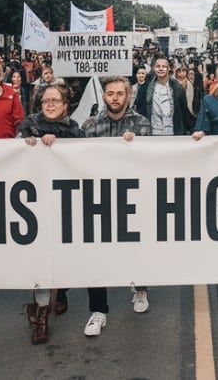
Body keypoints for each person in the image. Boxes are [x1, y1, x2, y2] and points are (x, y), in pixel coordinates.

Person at [79, 76, 153, 333]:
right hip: (99, 198)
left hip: (132, 197)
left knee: (137, 245)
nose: (115, 98)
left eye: (120, 93)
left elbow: (151, 161)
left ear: (128, 96)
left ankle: (140, 288)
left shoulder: (141, 124)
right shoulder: (90, 126)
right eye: (110, 93)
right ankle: (98, 311)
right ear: (104, 96)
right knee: (96, 253)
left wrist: (137, 147)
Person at [17, 84, 85, 345]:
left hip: (65, 203)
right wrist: (28, 145)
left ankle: (53, 297)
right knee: (42, 257)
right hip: (34, 204)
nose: (51, 104)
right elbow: (10, 155)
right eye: (46, 100)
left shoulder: (75, 130)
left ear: (65, 105)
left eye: (56, 100)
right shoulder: (28, 126)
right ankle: (42, 316)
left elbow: (85, 156)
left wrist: (61, 147)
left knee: (64, 255)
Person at [137, 55, 190, 135]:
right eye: (158, 66)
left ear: (169, 68)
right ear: (154, 68)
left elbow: (184, 112)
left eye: (164, 66)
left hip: (172, 133)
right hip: (153, 134)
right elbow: (140, 111)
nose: (161, 69)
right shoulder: (146, 87)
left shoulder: (177, 87)